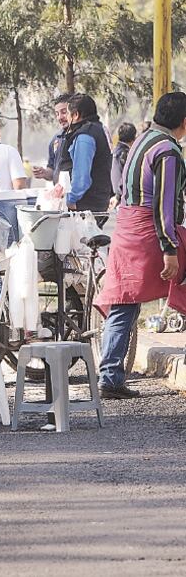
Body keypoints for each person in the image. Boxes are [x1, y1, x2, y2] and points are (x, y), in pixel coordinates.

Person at [95, 94, 186, 399]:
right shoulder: (168, 150)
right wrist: (170, 249)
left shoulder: (141, 140)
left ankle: (109, 375)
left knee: (124, 302)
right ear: (184, 122)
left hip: (126, 229)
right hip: (151, 233)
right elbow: (164, 206)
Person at [61, 94, 113, 212]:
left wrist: (70, 200)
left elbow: (82, 177)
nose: (66, 118)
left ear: (75, 115)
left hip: (86, 204)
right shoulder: (99, 129)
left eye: (67, 113)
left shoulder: (85, 136)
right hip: (97, 201)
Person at [33, 94, 72, 181]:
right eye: (57, 114)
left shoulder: (82, 137)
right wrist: (44, 173)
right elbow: (52, 170)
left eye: (64, 112)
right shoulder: (56, 139)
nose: (60, 117)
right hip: (60, 192)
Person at [110, 122, 138, 207]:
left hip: (114, 195)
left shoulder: (115, 151)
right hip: (122, 197)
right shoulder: (125, 154)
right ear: (133, 137)